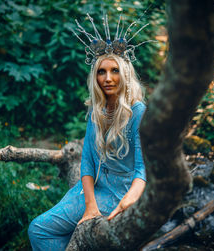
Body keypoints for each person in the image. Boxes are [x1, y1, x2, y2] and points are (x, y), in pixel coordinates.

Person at [28, 14, 150, 250]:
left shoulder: (138, 111)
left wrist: (133, 197)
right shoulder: (98, 110)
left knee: (47, 231)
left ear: (125, 74)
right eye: (101, 72)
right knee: (39, 229)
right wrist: (90, 206)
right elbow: (86, 162)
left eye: (114, 71)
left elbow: (142, 167)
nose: (107, 78)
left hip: (123, 192)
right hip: (97, 187)